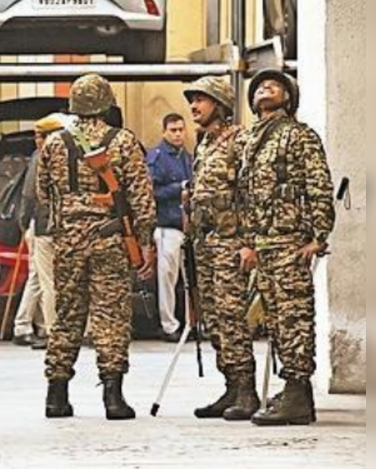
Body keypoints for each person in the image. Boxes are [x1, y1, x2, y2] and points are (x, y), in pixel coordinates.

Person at [37, 74, 156, 422]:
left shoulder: (54, 144)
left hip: (68, 242)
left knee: (68, 315)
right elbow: (141, 197)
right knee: (111, 314)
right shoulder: (122, 142)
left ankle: (56, 395)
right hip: (110, 238)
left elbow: (43, 195)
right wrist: (145, 241)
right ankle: (113, 397)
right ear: (107, 103)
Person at [239, 70, 335, 427]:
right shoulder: (252, 140)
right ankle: (297, 393)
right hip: (264, 243)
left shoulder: (299, 135)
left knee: (294, 318)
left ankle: (297, 392)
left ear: (288, 98)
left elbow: (319, 185)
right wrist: (249, 241)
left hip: (291, 242)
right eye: (260, 86)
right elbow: (247, 197)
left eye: (274, 86)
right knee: (277, 320)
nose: (265, 88)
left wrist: (319, 235)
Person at [183, 77, 260, 421]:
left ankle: (247, 391)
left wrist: (248, 242)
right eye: (193, 101)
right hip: (205, 244)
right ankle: (230, 385)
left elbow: (251, 193)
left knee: (232, 317)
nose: (194, 107)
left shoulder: (240, 142)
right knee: (213, 317)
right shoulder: (204, 145)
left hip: (231, 243)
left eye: (201, 100)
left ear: (220, 103)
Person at [13, 114, 66, 350]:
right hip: (45, 227)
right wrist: (25, 222)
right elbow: (29, 194)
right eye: (36, 136)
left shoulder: (44, 156)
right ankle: (50, 330)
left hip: (48, 226)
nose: (38, 141)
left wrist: (24, 222)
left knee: (38, 276)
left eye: (41, 136)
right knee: (47, 280)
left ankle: (22, 326)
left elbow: (28, 194)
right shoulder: (45, 157)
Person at [148, 113, 193, 343]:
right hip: (167, 224)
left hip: (187, 226)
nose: (177, 134)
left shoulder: (187, 157)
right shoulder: (157, 157)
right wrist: (178, 188)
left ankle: (190, 322)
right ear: (164, 131)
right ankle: (168, 325)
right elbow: (151, 192)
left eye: (180, 130)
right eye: (173, 130)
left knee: (190, 278)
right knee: (167, 276)